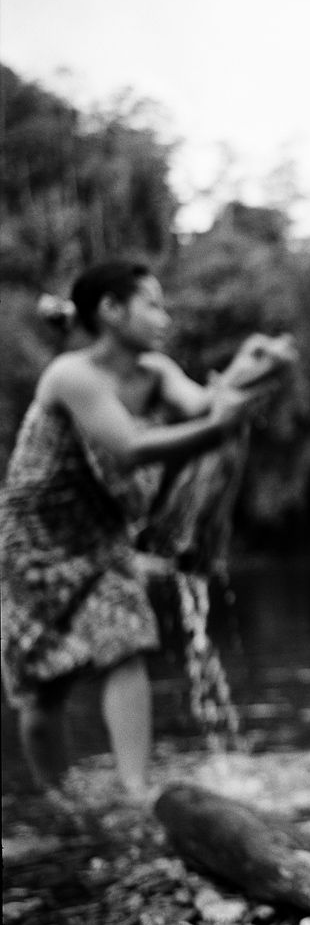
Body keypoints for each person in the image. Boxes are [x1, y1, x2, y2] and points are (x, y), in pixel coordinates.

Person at [0, 259, 277, 807]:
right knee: (41, 696)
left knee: (126, 642)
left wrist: (251, 371)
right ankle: (63, 807)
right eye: (151, 303)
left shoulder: (154, 371)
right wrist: (216, 427)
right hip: (34, 543)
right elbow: (128, 449)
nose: (163, 316)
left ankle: (137, 797)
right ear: (111, 310)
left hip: (100, 533)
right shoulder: (72, 376)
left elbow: (202, 404)